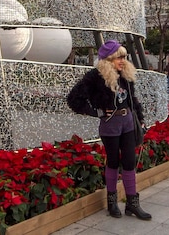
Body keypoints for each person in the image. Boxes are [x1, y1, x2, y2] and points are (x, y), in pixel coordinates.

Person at [66, 40, 152, 220]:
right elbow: (74, 98)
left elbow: (132, 100)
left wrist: (141, 119)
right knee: (113, 161)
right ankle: (112, 201)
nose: (123, 60)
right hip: (110, 125)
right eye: (119, 57)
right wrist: (95, 111)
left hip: (128, 122)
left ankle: (132, 203)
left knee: (129, 161)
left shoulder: (125, 74)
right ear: (109, 59)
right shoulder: (95, 77)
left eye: (124, 56)